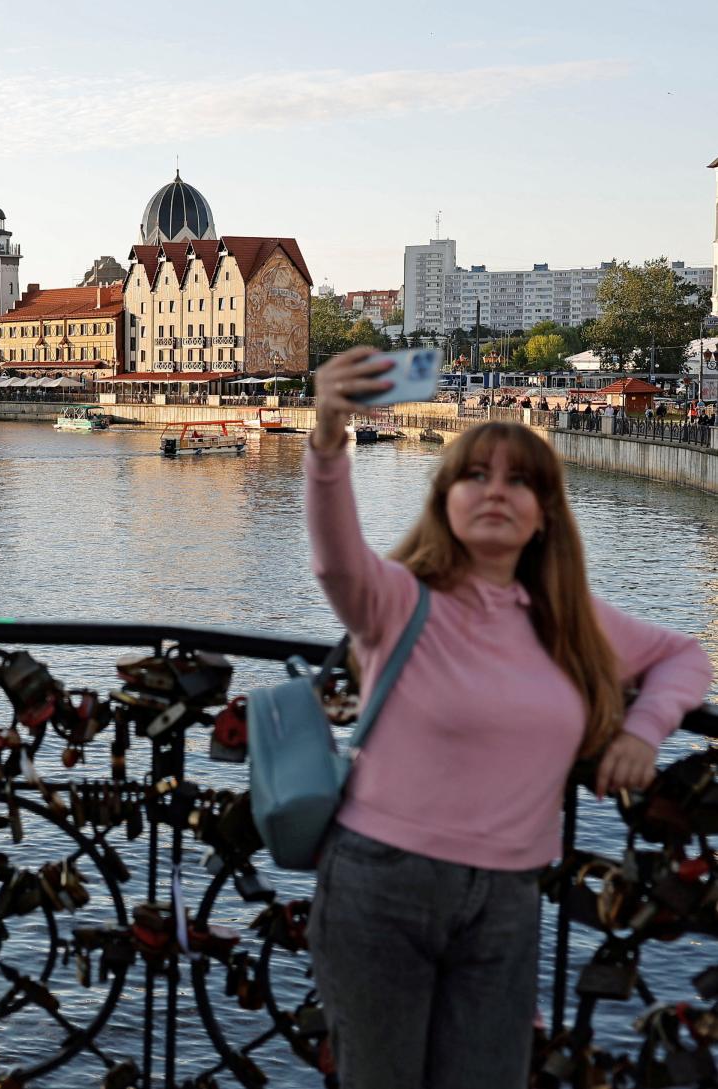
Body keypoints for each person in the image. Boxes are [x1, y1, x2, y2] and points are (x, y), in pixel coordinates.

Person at [303, 347, 711, 1089]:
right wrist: (329, 433)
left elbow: (685, 656)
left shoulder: (569, 620)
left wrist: (643, 729)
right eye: (476, 475)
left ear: (545, 514)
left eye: (521, 480)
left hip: (508, 896)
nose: (497, 491)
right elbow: (335, 561)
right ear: (445, 499)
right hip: (382, 883)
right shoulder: (398, 599)